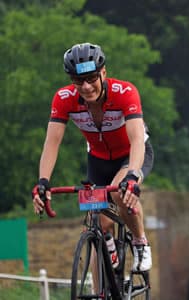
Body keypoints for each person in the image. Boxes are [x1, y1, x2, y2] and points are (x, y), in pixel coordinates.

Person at [31, 42, 153, 272]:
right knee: (99, 225)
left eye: (92, 78)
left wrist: (133, 177)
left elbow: (137, 139)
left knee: (119, 191)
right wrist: (43, 182)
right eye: (79, 81)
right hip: (98, 160)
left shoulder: (125, 93)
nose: (86, 87)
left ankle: (140, 242)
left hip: (132, 154)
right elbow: (52, 142)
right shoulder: (63, 99)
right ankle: (104, 280)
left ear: (103, 72)